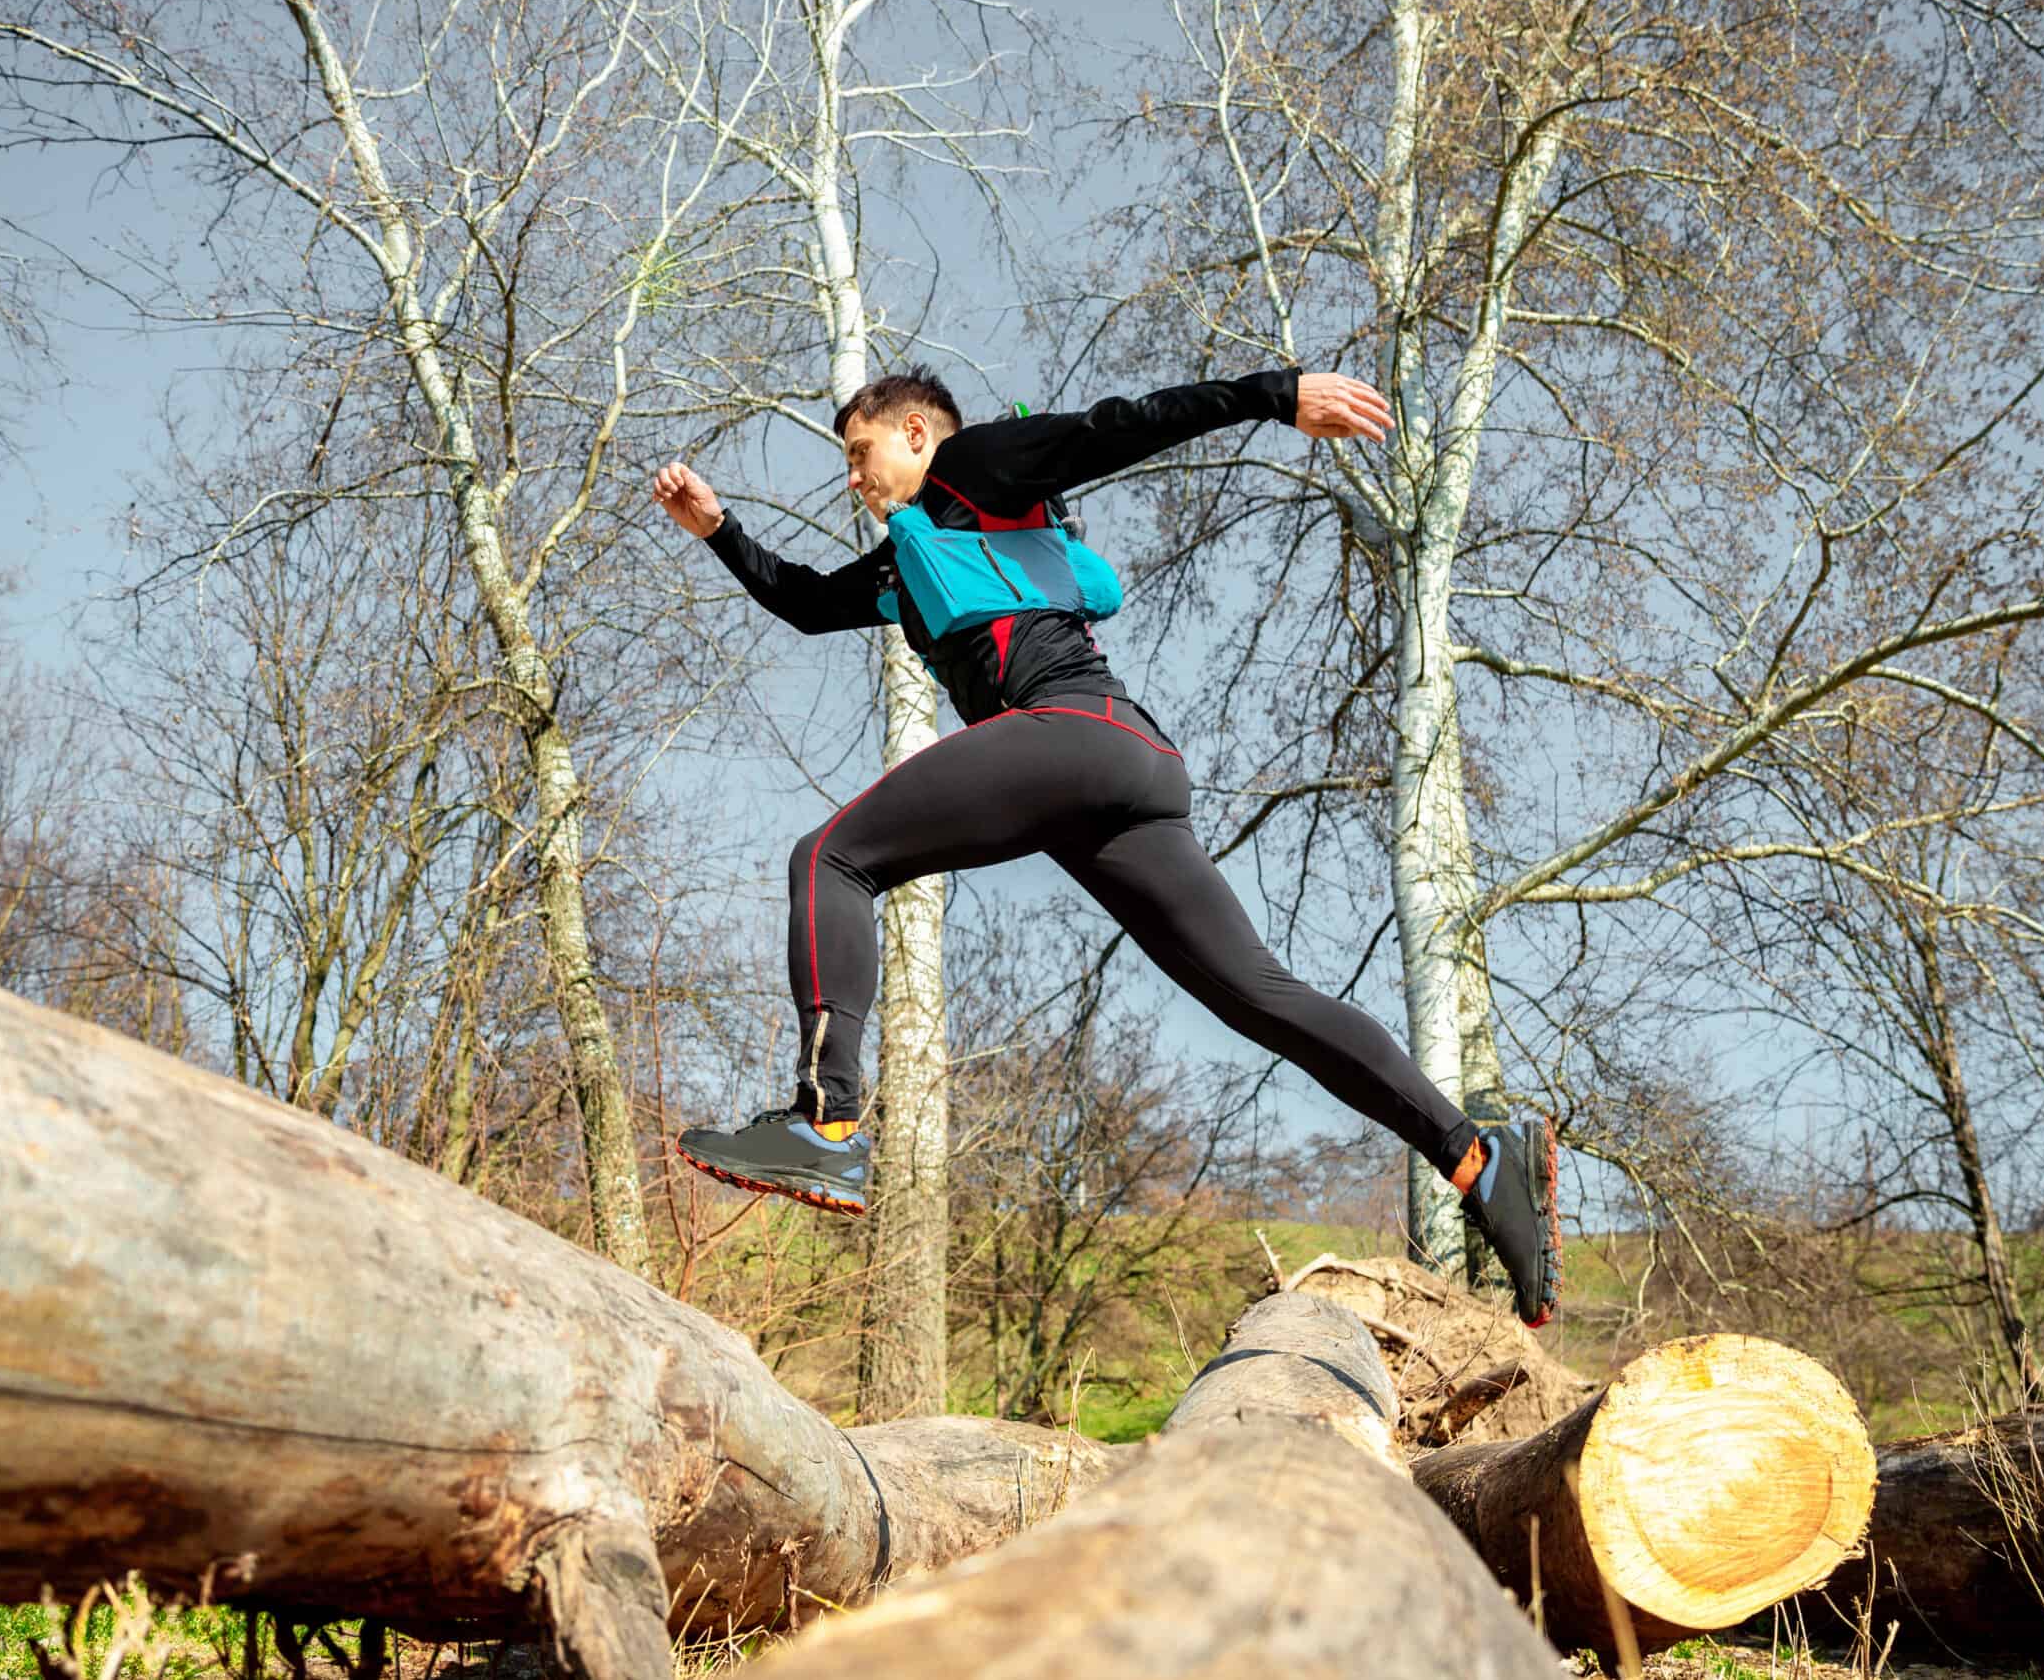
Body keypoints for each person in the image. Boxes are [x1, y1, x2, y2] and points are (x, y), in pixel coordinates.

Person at [649, 366, 1562, 1327]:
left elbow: (1120, 426)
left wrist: (1275, 393)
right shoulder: (908, 568)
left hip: (1078, 738)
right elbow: (802, 601)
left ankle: (825, 1121)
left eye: (859, 454)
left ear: (916, 433)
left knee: (832, 856)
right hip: (1126, 777)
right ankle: (1477, 1157)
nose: (853, 479)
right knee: (1261, 996)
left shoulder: (977, 466)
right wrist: (719, 530)